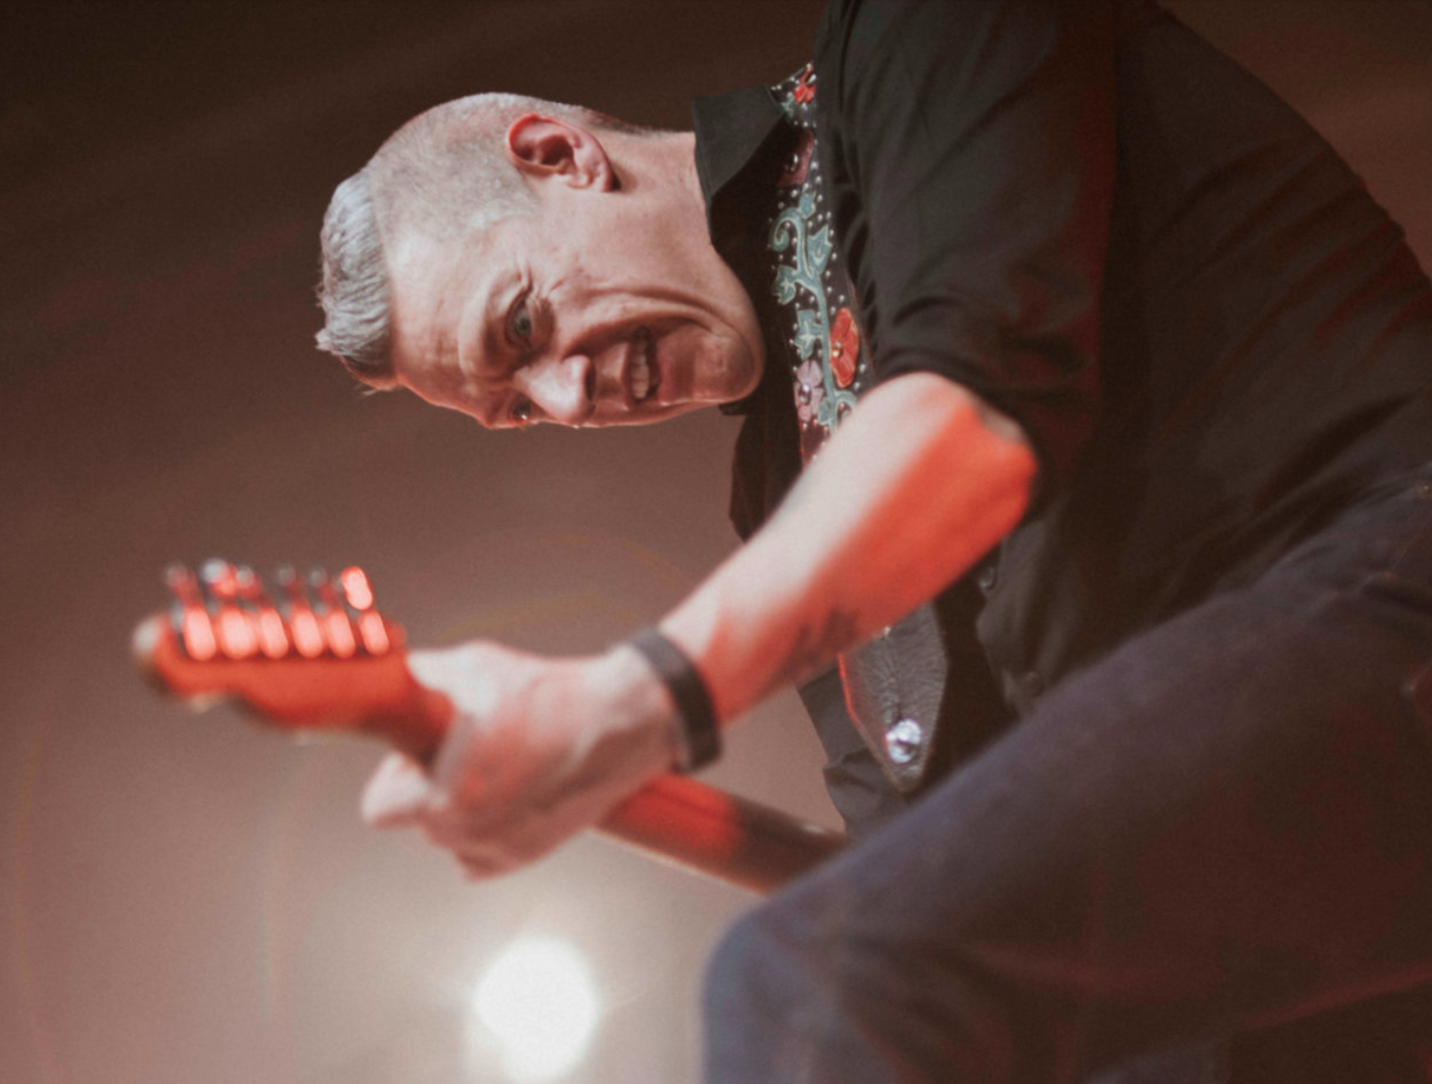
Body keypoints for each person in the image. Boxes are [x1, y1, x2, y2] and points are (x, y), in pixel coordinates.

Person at [314, 0, 1432, 1080]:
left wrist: (627, 705)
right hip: (1255, 878)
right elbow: (920, 851)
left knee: (805, 981)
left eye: (522, 324)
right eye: (516, 407)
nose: (564, 399)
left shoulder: (912, 32)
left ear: (560, 154)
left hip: (1387, 579)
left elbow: (981, 401)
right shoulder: (779, 490)